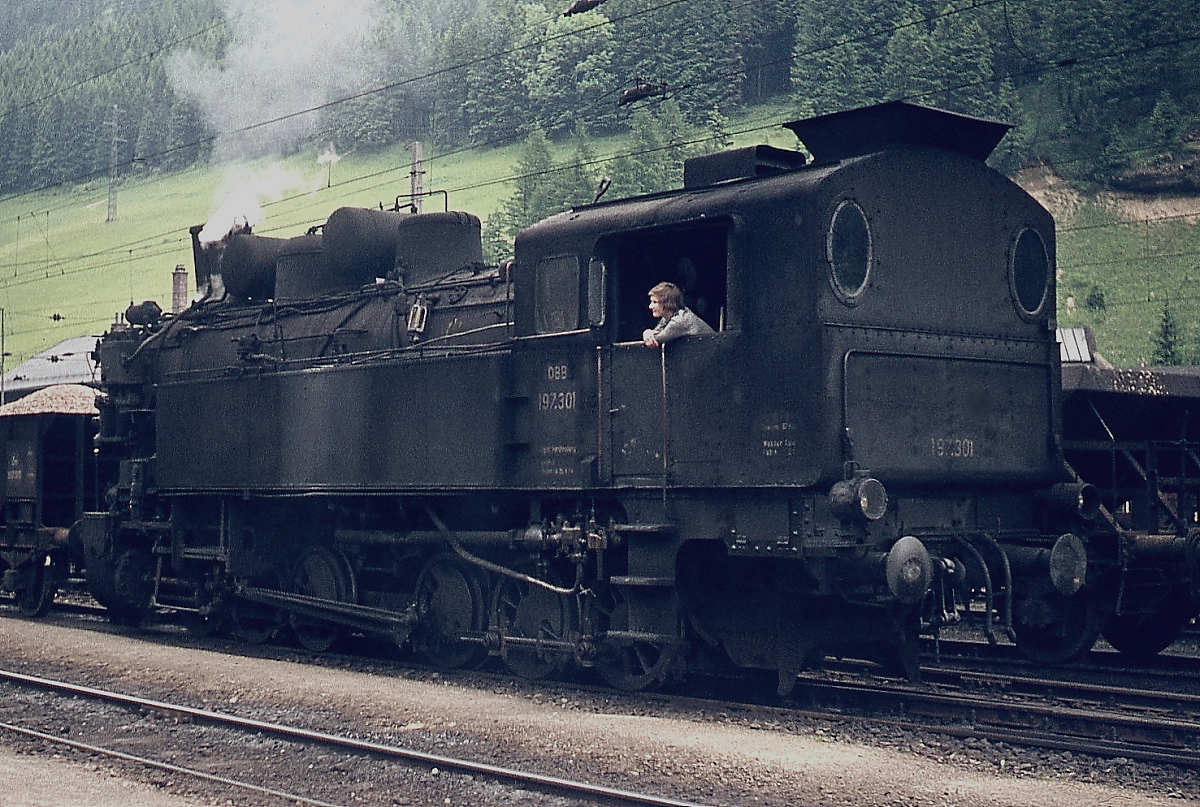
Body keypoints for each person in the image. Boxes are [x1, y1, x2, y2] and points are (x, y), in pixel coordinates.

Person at [642, 281, 714, 347]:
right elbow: (655, 333)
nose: (650, 306)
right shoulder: (666, 318)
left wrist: (646, 333)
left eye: (655, 302)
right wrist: (648, 333)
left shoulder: (680, 320)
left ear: (666, 303)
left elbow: (656, 339)